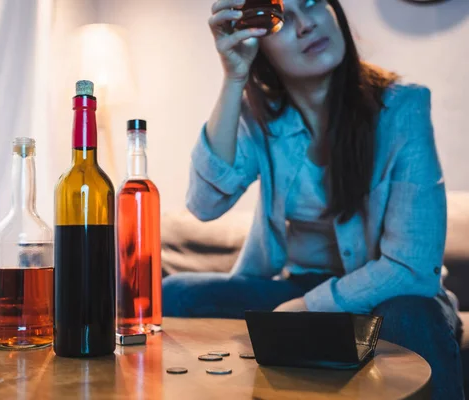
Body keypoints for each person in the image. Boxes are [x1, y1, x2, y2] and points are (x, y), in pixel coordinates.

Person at [162, 0, 464, 398]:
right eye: (283, 19)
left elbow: (410, 269)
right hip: (298, 286)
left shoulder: (402, 108)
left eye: (312, 3)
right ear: (261, 44)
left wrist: (307, 308)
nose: (306, 24)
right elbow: (204, 203)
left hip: (389, 294)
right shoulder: (262, 119)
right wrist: (234, 77)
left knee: (409, 314)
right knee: (175, 294)